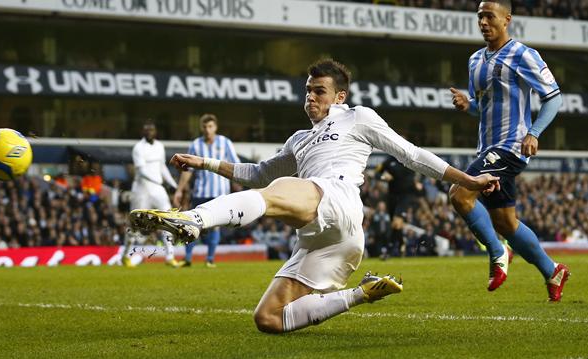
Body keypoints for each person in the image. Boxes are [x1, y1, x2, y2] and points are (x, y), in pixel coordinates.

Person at [130, 59, 499, 333]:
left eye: (318, 90)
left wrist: (468, 179)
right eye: (307, 90)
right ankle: (363, 293)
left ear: (339, 96)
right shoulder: (299, 139)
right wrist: (205, 162)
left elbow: (412, 155)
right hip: (327, 241)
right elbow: (255, 174)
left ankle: (194, 220)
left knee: (276, 192)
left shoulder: (357, 117)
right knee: (268, 319)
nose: (310, 97)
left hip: (339, 200)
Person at [449, 0, 569, 301]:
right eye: (480, 17)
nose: (483, 22)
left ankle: (497, 250)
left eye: (489, 16)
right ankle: (552, 270)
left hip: (512, 146)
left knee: (460, 193)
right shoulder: (475, 60)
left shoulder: (523, 54)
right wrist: (468, 106)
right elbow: (485, 106)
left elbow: (553, 98)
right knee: (506, 222)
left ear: (507, 19)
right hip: (488, 147)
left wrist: (534, 132)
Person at [172, 114, 240, 268]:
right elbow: (187, 170)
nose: (208, 130)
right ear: (201, 128)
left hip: (219, 192)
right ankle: (188, 258)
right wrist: (179, 190)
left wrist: (238, 184)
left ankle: (209, 259)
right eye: (205, 127)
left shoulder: (225, 143)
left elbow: (235, 165)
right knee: (192, 224)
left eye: (210, 126)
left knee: (214, 226)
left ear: (215, 127)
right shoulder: (196, 145)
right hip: (200, 192)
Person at [123, 121, 178, 267]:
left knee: (168, 220)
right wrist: (159, 181)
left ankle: (170, 257)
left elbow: (162, 167)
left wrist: (173, 184)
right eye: (146, 130)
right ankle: (125, 255)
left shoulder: (160, 146)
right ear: (143, 132)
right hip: (142, 189)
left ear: (155, 131)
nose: (149, 133)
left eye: (151, 130)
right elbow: (141, 171)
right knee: (136, 224)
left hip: (157, 189)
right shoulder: (138, 148)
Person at [377, 155, 423, 258]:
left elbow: (420, 171)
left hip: (405, 196)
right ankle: (402, 242)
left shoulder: (410, 160)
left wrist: (417, 183)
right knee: (396, 225)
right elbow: (378, 173)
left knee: (396, 223)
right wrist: (384, 177)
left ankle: (388, 250)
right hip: (392, 196)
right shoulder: (389, 161)